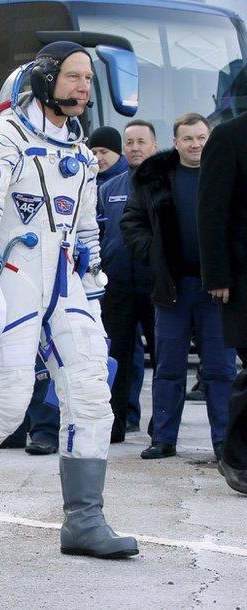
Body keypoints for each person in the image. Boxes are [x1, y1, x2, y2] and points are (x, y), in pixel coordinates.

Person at [0, 42, 138, 559]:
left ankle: (84, 519)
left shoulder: (78, 154)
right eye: (73, 77)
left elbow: (85, 233)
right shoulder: (3, 140)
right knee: (8, 402)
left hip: (64, 283)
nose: (83, 86)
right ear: (45, 80)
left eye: (88, 78)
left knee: (91, 392)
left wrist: (93, 289)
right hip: (9, 278)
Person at [122, 113, 237, 460]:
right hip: (173, 288)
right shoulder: (155, 177)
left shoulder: (227, 172)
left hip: (218, 290)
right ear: (176, 142)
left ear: (210, 138)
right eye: (188, 138)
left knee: (220, 370)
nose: (195, 144)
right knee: (169, 367)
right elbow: (131, 222)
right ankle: (164, 439)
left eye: (201, 137)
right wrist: (154, 255)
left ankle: (225, 443)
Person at [98, 119, 159, 441]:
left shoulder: (168, 184)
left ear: (154, 146)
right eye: (130, 142)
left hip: (157, 286)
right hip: (117, 285)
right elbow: (96, 234)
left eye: (141, 142)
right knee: (115, 358)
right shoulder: (109, 189)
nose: (135, 148)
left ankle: (161, 430)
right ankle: (115, 426)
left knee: (163, 359)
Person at [197, 109, 247, 494]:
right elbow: (211, 211)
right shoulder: (230, 136)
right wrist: (216, 275)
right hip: (242, 278)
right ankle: (235, 457)